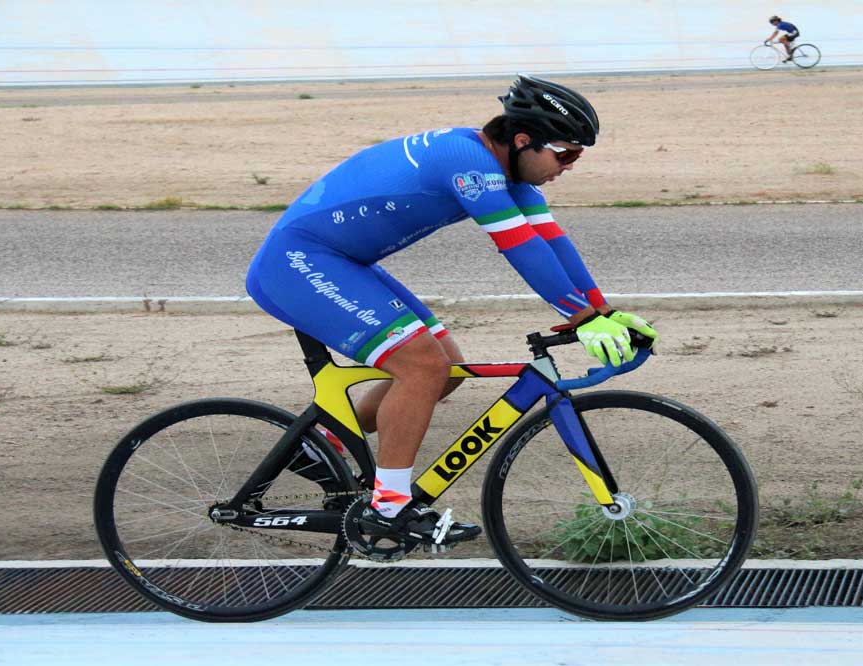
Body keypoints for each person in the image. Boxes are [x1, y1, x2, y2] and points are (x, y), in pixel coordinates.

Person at [245, 75, 659, 550]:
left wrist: (602, 309)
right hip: (297, 264)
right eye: (565, 153)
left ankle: (322, 447)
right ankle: (390, 506)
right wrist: (583, 318)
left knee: (447, 369)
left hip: (339, 262)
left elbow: (552, 242)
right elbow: (518, 245)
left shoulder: (507, 170)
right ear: (523, 140)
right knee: (423, 364)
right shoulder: (467, 162)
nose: (568, 166)